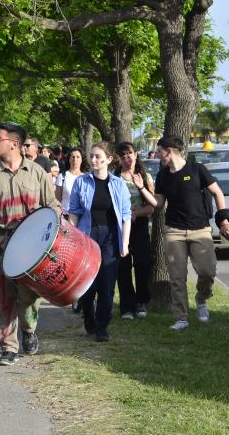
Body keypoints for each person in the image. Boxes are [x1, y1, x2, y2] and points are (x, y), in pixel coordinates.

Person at [0, 122, 59, 365]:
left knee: (28, 295)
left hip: (30, 245)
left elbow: (53, 206)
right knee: (1, 295)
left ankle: (29, 329)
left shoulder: (37, 172)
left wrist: (54, 234)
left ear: (14, 144)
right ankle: (8, 346)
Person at [153, 136, 229, 331]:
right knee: (177, 277)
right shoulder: (162, 175)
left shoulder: (197, 169)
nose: (158, 155)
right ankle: (181, 317)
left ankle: (201, 299)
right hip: (173, 231)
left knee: (207, 271)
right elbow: (159, 204)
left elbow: (218, 193)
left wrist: (223, 220)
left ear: (169, 150)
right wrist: (142, 188)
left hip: (200, 229)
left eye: (160, 151)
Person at [68, 143, 132, 342]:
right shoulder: (81, 182)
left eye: (98, 157)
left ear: (108, 159)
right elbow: (74, 213)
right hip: (87, 236)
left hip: (111, 237)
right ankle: (89, 316)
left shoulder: (118, 184)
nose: (93, 160)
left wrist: (125, 243)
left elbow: (126, 215)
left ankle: (102, 326)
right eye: (92, 156)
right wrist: (73, 239)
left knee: (107, 284)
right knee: (88, 284)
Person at [113, 141, 157, 320]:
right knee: (122, 267)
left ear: (136, 154)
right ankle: (126, 306)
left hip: (138, 226)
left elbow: (152, 206)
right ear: (118, 159)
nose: (126, 158)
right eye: (122, 156)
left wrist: (135, 214)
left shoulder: (144, 176)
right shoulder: (114, 177)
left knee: (142, 264)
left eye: (129, 154)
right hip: (120, 227)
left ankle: (141, 302)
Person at [56, 147, 89, 214]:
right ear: (69, 159)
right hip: (65, 215)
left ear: (82, 160)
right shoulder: (62, 176)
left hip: (82, 216)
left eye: (78, 157)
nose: (75, 159)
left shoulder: (86, 178)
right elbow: (57, 200)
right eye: (73, 157)